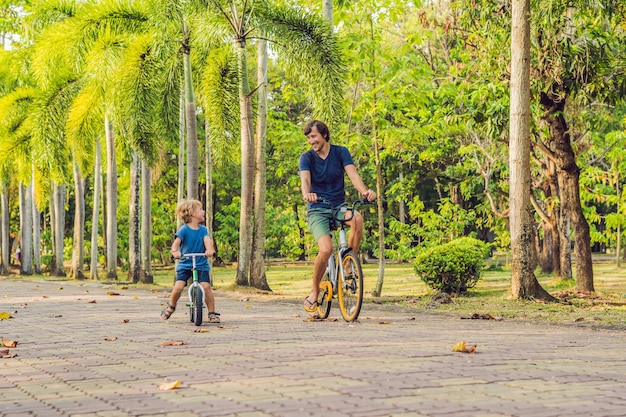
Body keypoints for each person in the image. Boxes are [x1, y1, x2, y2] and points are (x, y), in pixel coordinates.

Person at [298, 119, 376, 315]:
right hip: (317, 209)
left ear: (324, 134)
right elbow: (305, 180)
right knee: (326, 249)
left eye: (313, 136)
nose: (311, 141)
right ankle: (315, 292)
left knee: (357, 218)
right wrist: (307, 193)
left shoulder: (341, 152)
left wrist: (365, 192)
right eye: (308, 138)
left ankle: (348, 263)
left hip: (338, 206)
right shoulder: (306, 158)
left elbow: (353, 175)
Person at [161, 199, 220, 323]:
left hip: (201, 263)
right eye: (200, 209)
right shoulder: (184, 230)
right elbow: (175, 245)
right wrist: (175, 252)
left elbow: (207, 242)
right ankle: (171, 306)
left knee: (206, 286)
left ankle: (212, 313)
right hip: (185, 263)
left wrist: (209, 250)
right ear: (192, 213)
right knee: (178, 287)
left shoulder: (203, 230)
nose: (203, 211)